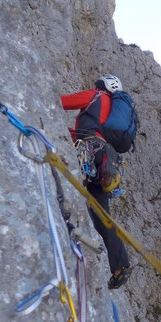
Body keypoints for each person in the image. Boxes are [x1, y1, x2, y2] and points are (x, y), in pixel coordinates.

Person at [61, 74, 132, 289]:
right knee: (102, 214)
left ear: (101, 86)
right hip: (106, 162)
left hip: (88, 154)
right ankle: (120, 266)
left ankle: (63, 223)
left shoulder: (95, 96)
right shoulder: (114, 111)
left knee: (70, 191)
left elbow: (61, 102)